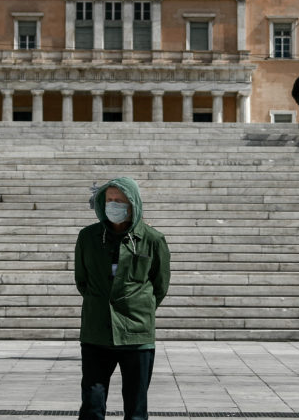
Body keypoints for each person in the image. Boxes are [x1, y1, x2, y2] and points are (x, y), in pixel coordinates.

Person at [75, 177, 171, 420]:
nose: (113, 205)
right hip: (97, 333)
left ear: (133, 203)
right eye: (109, 200)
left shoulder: (152, 240)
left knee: (136, 409)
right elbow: (82, 281)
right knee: (92, 406)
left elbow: (159, 286)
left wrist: (137, 306)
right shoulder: (88, 237)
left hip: (136, 335)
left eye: (120, 200)